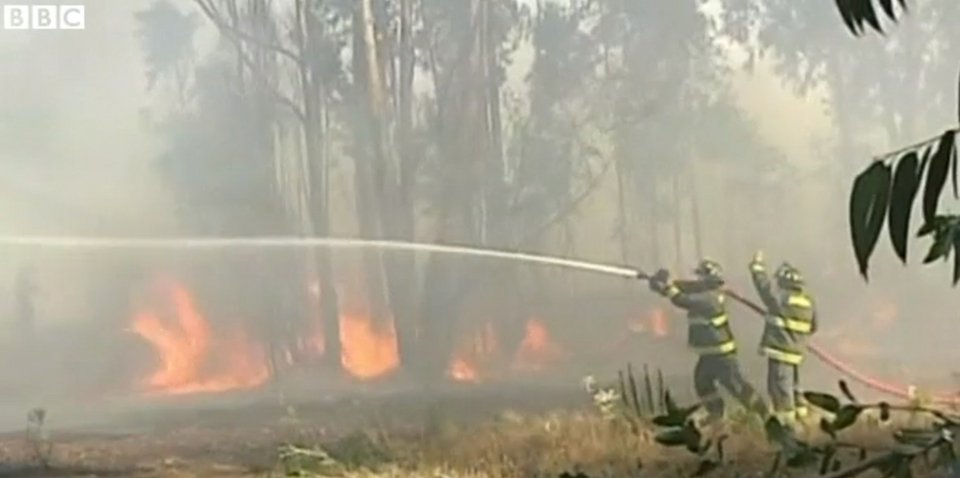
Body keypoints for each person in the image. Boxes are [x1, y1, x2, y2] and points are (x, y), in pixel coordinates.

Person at [647, 259, 769, 425]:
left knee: (737, 387)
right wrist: (660, 284)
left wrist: (668, 287)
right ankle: (717, 416)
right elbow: (686, 288)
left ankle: (764, 414)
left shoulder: (710, 298)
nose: (698, 280)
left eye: (701, 276)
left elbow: (682, 299)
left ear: (708, 278)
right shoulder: (708, 292)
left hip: (722, 355)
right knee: (703, 384)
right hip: (709, 354)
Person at [748, 251, 817, 425]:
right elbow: (813, 327)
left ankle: (787, 428)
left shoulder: (781, 299)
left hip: (780, 352)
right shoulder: (808, 301)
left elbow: (764, 288)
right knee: (795, 389)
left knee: (780, 390)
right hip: (796, 353)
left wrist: (757, 266)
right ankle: (805, 420)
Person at [14, 265, 38, 340]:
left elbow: (24, 289)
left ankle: (27, 334)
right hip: (23, 302)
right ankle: (26, 335)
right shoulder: (22, 279)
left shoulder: (22, 279)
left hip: (23, 301)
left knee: (28, 314)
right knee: (27, 315)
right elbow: (21, 290)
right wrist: (34, 289)